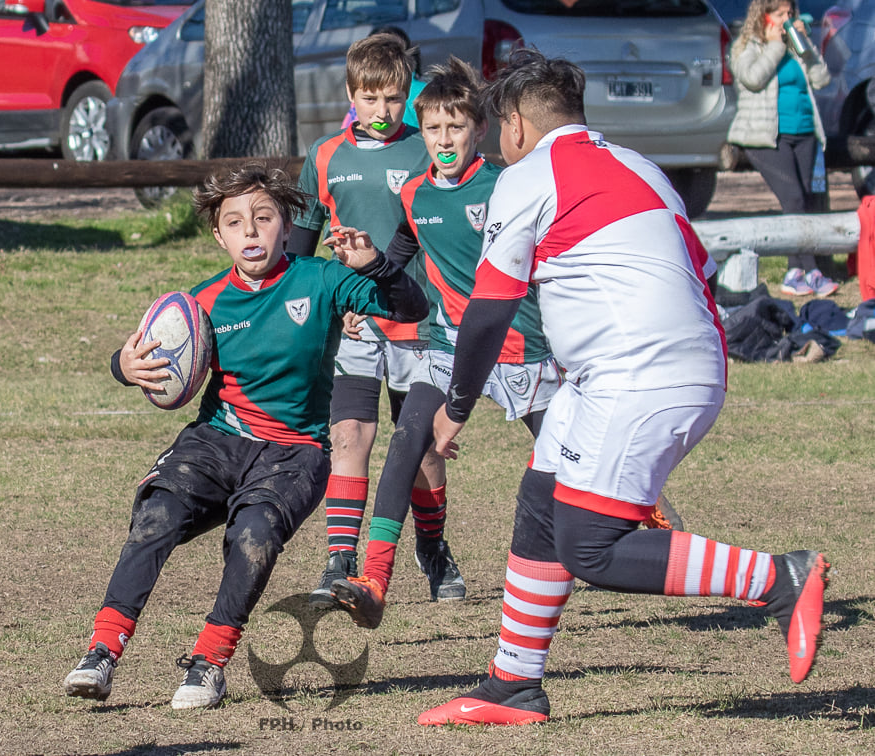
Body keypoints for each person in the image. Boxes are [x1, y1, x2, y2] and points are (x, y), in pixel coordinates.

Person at [418, 49, 830, 727]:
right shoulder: (640, 165)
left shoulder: (529, 176)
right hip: (657, 365)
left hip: (639, 372)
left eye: (495, 130)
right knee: (542, 501)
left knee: (591, 545)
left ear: (516, 123)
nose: (495, 143)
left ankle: (780, 580)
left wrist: (455, 407)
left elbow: (487, 308)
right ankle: (513, 685)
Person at [62, 165, 428, 711]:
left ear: (286, 225)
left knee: (253, 534)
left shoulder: (323, 279)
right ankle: (102, 651)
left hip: (294, 452)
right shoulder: (202, 302)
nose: (251, 232)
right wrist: (123, 366)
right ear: (219, 235)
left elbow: (411, 307)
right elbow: (145, 352)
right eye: (235, 222)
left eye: (263, 218)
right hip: (216, 438)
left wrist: (374, 265)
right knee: (155, 516)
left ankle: (209, 664)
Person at [326, 57, 559, 627]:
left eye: (456, 127)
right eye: (433, 128)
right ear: (421, 130)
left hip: (520, 346)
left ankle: (644, 526)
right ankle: (374, 580)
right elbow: (399, 262)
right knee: (408, 442)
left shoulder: (506, 185)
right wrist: (368, 274)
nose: (444, 139)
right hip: (446, 344)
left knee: (574, 458)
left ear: (479, 130)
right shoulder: (415, 195)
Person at [287, 33, 450, 608]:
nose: (383, 112)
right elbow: (303, 253)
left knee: (423, 447)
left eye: (394, 99)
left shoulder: (427, 150)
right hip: (355, 324)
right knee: (349, 435)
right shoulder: (325, 156)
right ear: (351, 95)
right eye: (372, 98)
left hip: (419, 320)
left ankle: (432, 547)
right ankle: (339, 558)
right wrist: (321, 313)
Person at [727, 0, 838, 297]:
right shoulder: (747, 45)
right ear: (764, 17)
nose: (787, 19)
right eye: (780, 15)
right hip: (765, 137)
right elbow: (751, 79)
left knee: (807, 201)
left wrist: (808, 48)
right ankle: (810, 270)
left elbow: (822, 79)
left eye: (791, 14)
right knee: (793, 199)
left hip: (805, 133)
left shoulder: (795, 46)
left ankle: (796, 269)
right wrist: (776, 46)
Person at [341, 26, 427, 131]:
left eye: (392, 99)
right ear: (351, 92)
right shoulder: (330, 145)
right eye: (370, 99)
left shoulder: (423, 93)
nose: (382, 113)